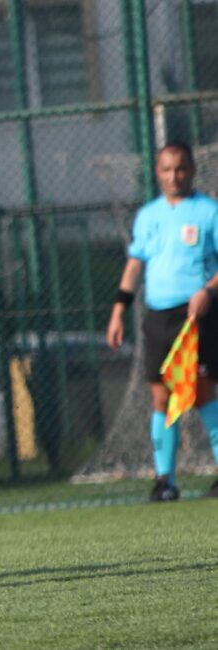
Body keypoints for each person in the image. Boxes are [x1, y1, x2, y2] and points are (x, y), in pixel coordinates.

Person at [106, 142, 218, 502]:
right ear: (158, 172)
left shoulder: (208, 212)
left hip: (196, 314)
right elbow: (135, 263)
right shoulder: (148, 215)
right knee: (161, 396)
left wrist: (208, 292)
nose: (174, 176)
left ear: (192, 171)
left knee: (201, 393)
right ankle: (164, 481)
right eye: (167, 170)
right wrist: (118, 310)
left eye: (181, 169)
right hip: (158, 317)